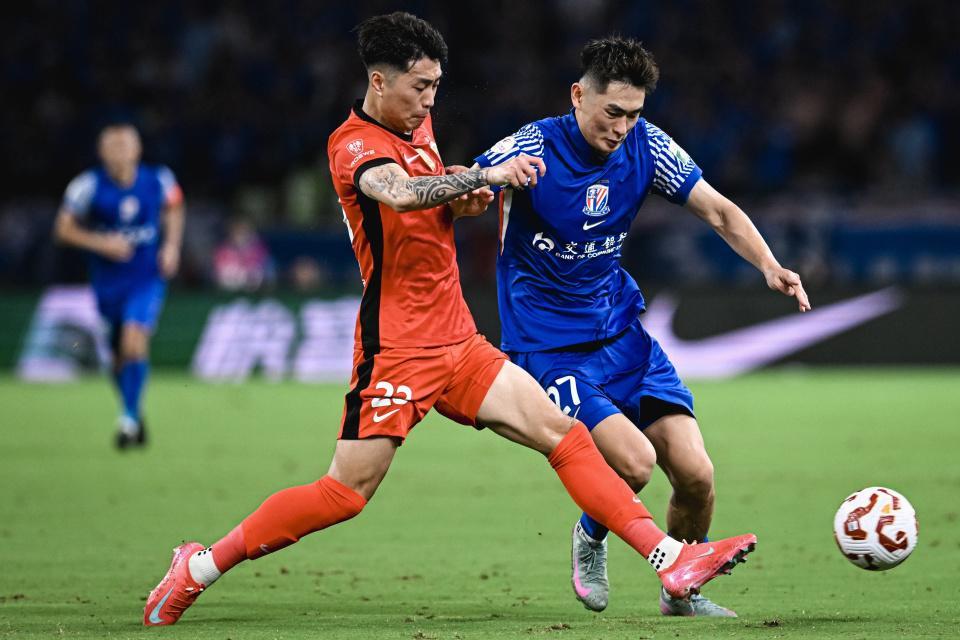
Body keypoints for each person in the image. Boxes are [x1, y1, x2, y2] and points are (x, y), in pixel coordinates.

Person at [143, 13, 755, 626]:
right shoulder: (354, 146)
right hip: (398, 346)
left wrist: (465, 202)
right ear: (378, 81)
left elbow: (433, 205)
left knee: (563, 436)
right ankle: (200, 565)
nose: (430, 99)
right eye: (420, 86)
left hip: (458, 338)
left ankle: (669, 558)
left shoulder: (418, 122)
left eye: (436, 85)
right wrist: (484, 175)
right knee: (345, 493)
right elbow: (402, 193)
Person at [469, 37, 810, 617]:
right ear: (578, 96)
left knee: (697, 476)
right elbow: (466, 186)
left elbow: (719, 210)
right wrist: (488, 181)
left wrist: (769, 265)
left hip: (623, 337)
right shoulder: (532, 146)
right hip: (551, 349)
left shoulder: (648, 146)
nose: (623, 127)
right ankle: (590, 535)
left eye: (633, 114)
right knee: (633, 464)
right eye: (613, 112)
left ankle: (681, 593)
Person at [54, 123, 185, 449]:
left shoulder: (159, 179)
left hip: (146, 278)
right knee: (117, 357)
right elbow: (63, 230)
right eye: (113, 146)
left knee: (133, 342)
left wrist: (171, 247)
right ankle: (133, 412)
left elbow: (175, 207)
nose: (120, 152)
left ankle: (127, 421)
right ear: (101, 152)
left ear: (138, 149)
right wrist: (101, 243)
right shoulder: (87, 186)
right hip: (108, 284)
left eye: (125, 145)